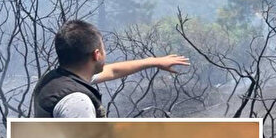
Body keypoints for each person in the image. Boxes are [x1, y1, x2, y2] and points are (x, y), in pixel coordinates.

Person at [32, 19, 190, 118]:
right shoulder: (77, 102)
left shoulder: (58, 79)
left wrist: (154, 61)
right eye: (103, 48)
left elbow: (113, 71)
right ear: (96, 55)